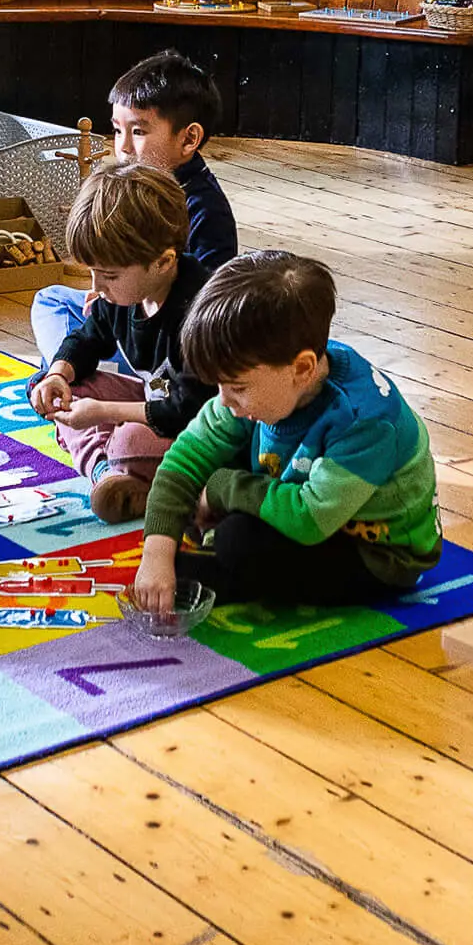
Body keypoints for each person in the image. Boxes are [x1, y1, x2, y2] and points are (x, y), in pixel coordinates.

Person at [131, 250, 442, 612]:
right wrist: (156, 550)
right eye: (218, 386)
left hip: (378, 553)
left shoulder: (365, 422)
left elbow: (310, 518)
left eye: (237, 388)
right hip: (306, 506)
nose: (224, 400)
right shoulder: (266, 377)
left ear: (303, 369)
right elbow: (185, 459)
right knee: (222, 469)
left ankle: (229, 577)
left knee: (238, 541)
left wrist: (221, 489)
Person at [27, 163, 215, 522]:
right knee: (71, 386)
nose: (96, 287)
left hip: (194, 425)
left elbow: (184, 411)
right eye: (91, 272)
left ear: (163, 262)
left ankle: (132, 473)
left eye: (109, 275)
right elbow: (88, 337)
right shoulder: (121, 297)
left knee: (131, 441)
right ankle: (107, 473)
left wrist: (102, 413)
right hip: (153, 397)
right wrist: (58, 375)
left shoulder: (197, 313)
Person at [29, 49, 237, 360]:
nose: (122, 147)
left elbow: (206, 307)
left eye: (138, 131)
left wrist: (126, 304)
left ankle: (88, 378)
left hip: (168, 344)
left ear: (189, 139)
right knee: (51, 300)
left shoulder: (206, 210)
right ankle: (69, 370)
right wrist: (105, 294)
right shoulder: (127, 189)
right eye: (116, 130)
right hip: (123, 312)